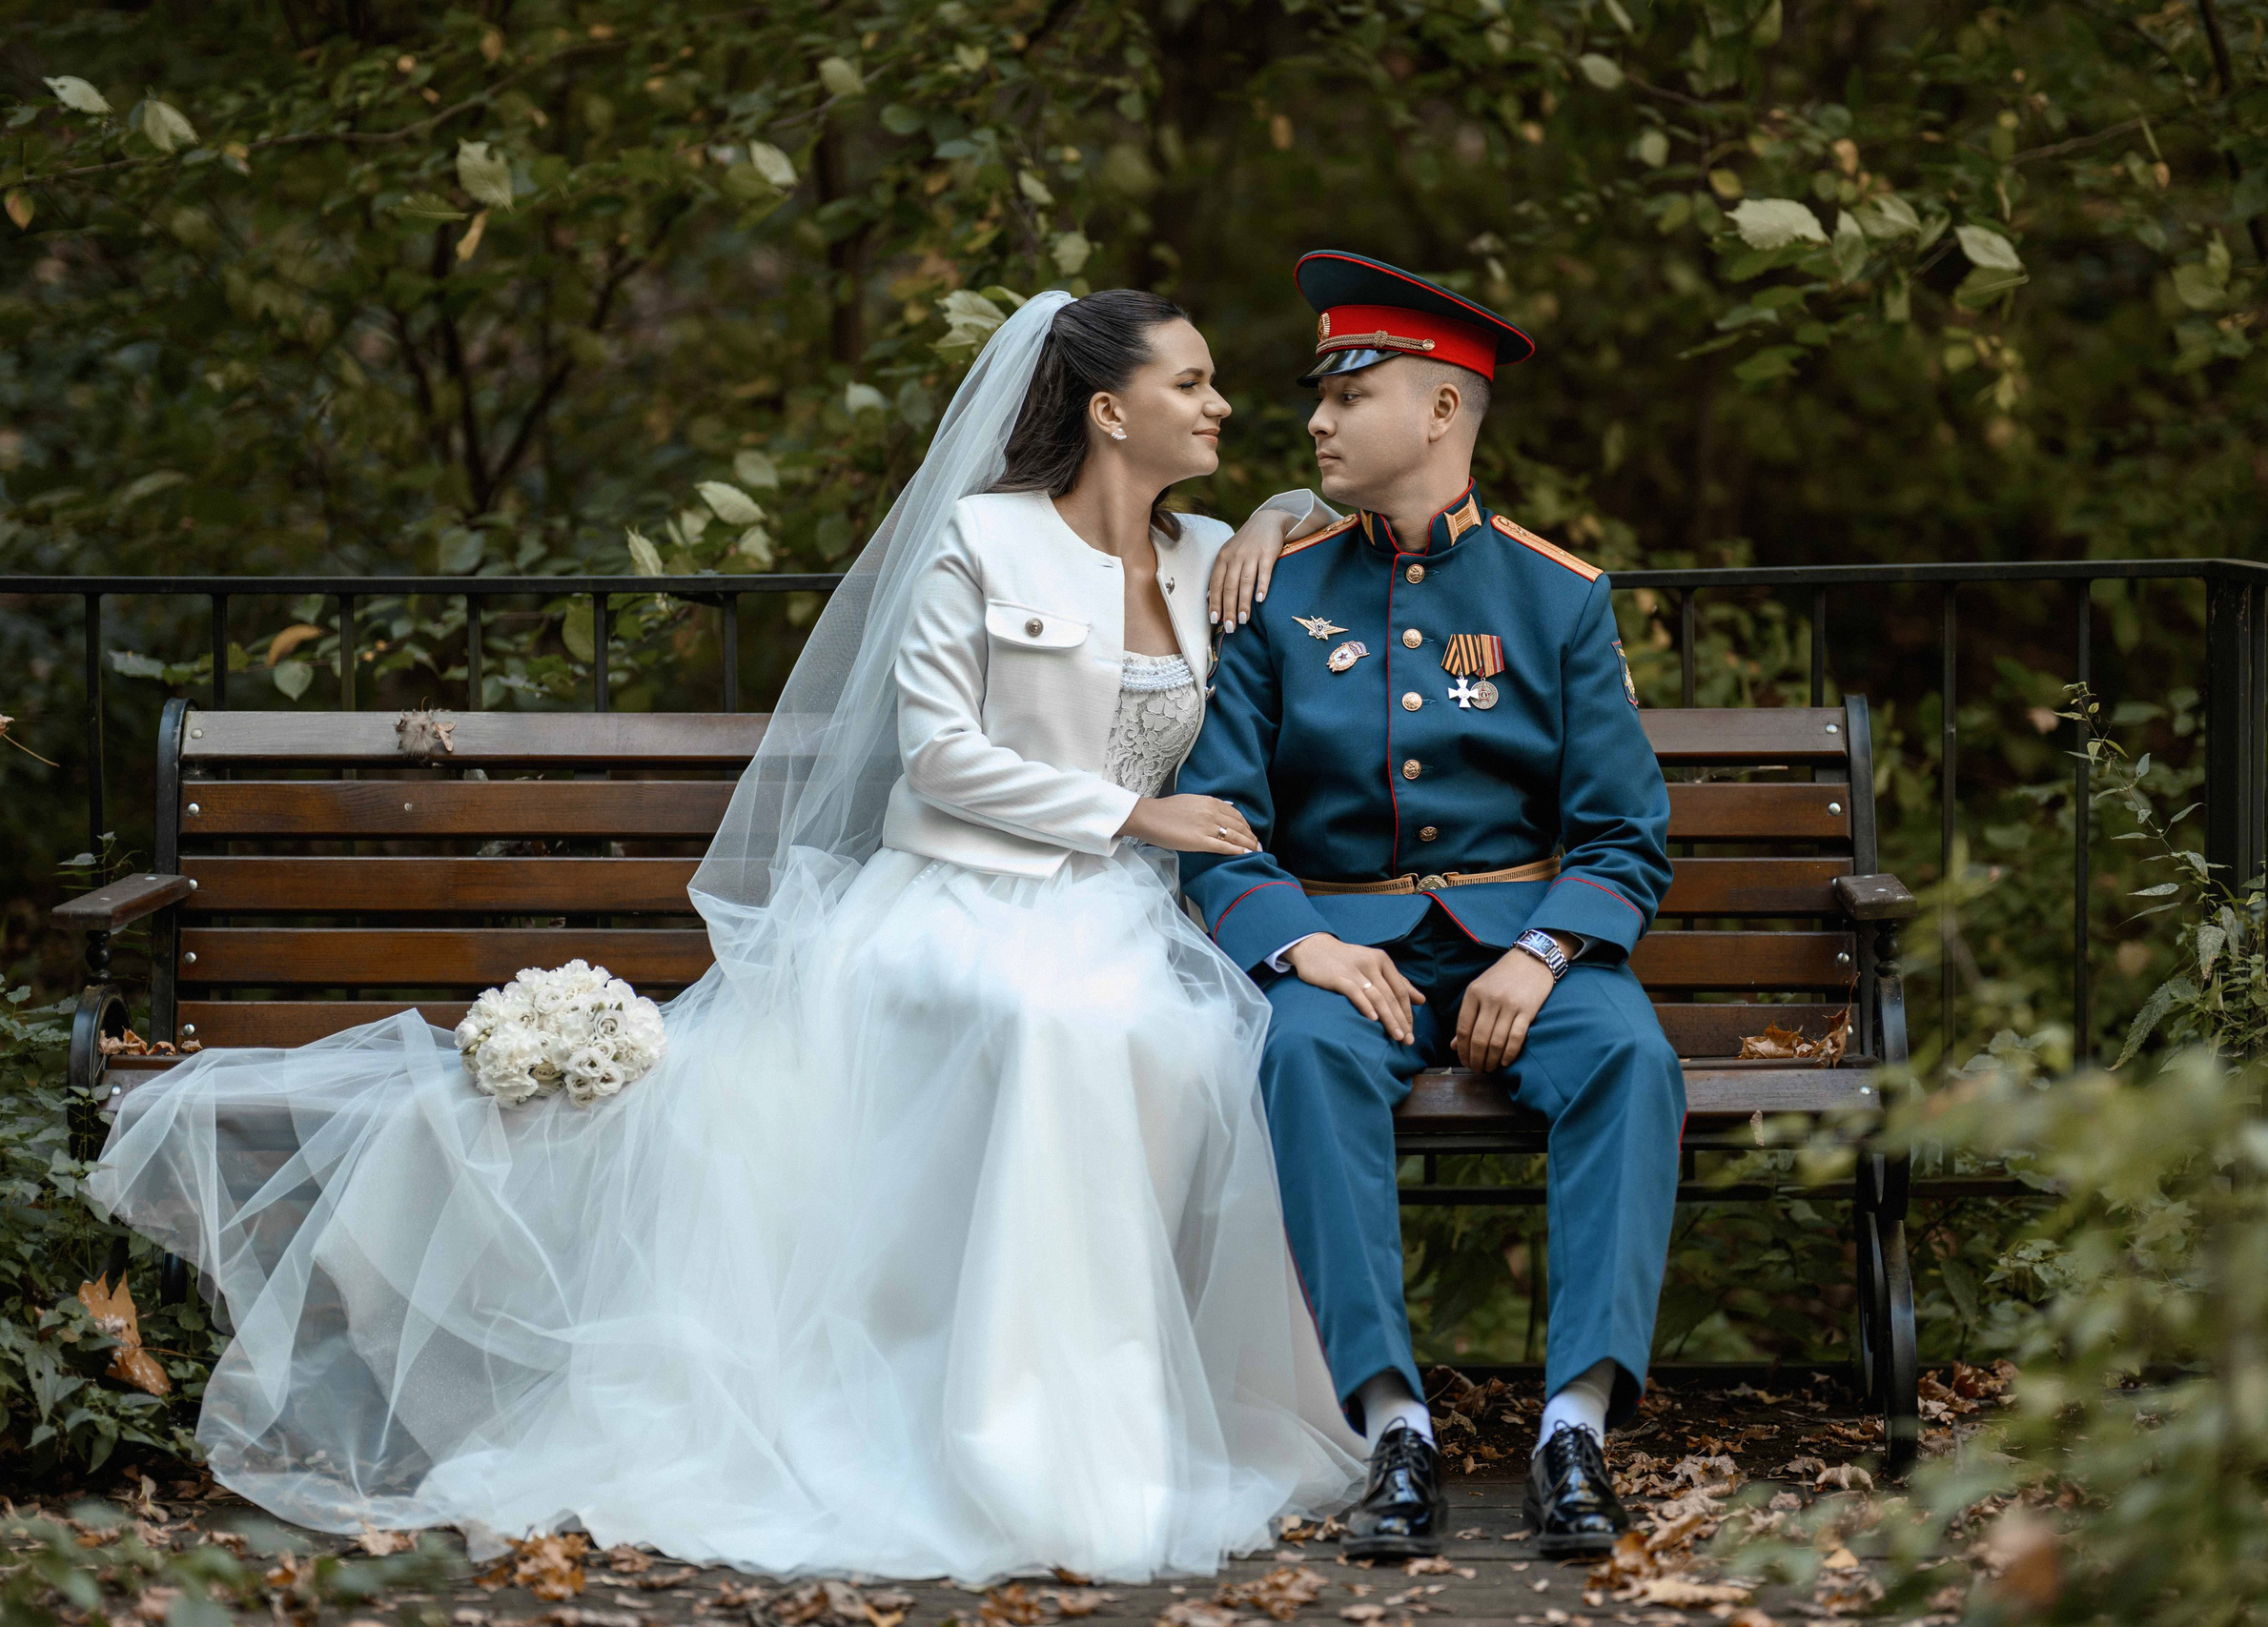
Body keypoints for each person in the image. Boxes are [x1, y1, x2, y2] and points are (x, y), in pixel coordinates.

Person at [87, 289, 1365, 1582]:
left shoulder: (1214, 550)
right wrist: (1131, 808)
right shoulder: (980, 542)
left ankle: (1117, 1413)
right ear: (1109, 409)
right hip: (966, 897)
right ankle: (994, 1428)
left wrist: (1275, 513)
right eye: (1193, 384)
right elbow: (937, 755)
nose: (1220, 406)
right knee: (1046, 1027)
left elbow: (1355, 523)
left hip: (1129, 913)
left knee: (1160, 1033)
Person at [1177, 253, 1684, 1560]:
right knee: (1301, 1053)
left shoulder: (1556, 596)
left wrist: (1548, 951)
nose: (1316, 423)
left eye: (1351, 397)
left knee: (1631, 1058)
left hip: (1531, 952)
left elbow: (1626, 833)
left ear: (1441, 414)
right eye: (1320, 400)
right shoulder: (1279, 590)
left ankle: (1574, 1427)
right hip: (1350, 953)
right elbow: (1221, 831)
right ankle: (1393, 1424)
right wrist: (1307, 946)